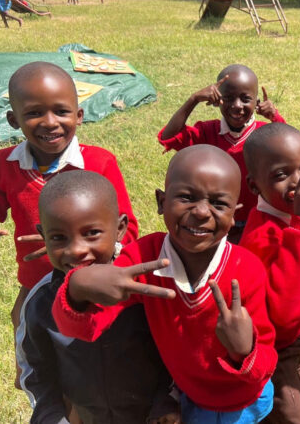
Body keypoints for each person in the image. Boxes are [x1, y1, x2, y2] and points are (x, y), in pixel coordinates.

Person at [52, 145, 278, 424]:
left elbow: (266, 361)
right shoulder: (144, 258)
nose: (202, 212)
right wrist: (77, 288)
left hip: (246, 399)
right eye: (187, 198)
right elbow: (83, 328)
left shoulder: (247, 269)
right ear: (161, 201)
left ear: (234, 214)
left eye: (219, 204)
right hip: (192, 398)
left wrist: (244, 349)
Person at [0, 61, 139, 388]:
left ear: (79, 115)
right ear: (13, 120)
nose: (50, 122)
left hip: (93, 284)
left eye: (61, 111)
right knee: (37, 366)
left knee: (95, 367)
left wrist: (77, 245)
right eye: (34, 113)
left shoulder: (99, 163)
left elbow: (127, 230)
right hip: (37, 287)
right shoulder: (2, 165)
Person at [16, 171, 179, 424]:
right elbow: (36, 371)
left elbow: (174, 352)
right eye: (58, 237)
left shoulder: (143, 288)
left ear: (120, 228)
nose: (76, 250)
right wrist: (51, 416)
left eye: (91, 233)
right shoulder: (42, 300)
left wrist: (165, 401)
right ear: (43, 235)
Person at [240, 123, 300, 423]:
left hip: (296, 327)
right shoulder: (262, 236)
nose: (298, 181)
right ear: (254, 187)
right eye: (280, 175)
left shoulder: (290, 214)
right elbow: (283, 319)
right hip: (273, 344)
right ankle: (266, 397)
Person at [158, 65, 286, 245]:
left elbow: (288, 151)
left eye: (245, 99)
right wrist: (193, 99)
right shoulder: (206, 132)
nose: (237, 106)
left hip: (257, 220)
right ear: (218, 99)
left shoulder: (265, 134)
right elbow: (168, 137)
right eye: (228, 98)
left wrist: (275, 117)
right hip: (215, 221)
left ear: (256, 101)